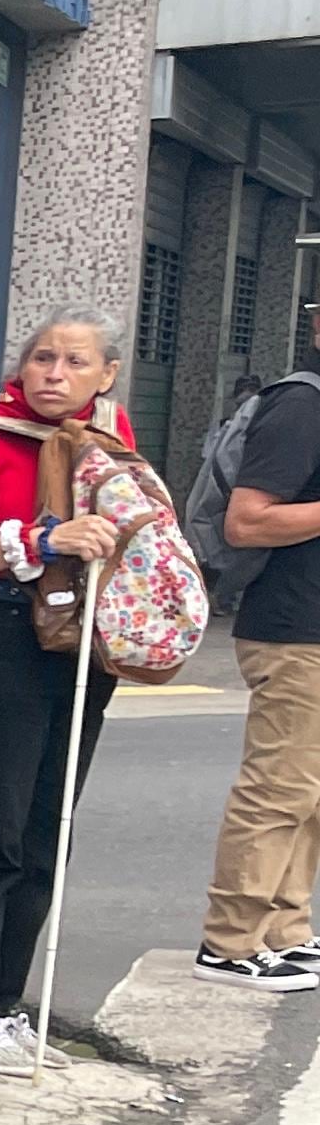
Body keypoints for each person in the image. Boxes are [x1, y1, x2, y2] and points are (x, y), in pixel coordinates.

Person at [0, 314, 143, 1070]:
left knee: (48, 830)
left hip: (80, 642)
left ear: (106, 374)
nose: (55, 373)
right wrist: (41, 541)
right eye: (42, 357)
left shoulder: (110, 446)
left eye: (75, 361)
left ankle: (5, 1007)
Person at [200, 295, 320, 990]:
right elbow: (247, 522)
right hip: (293, 627)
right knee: (280, 788)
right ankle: (230, 940)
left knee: (309, 793)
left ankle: (285, 927)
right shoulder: (300, 405)